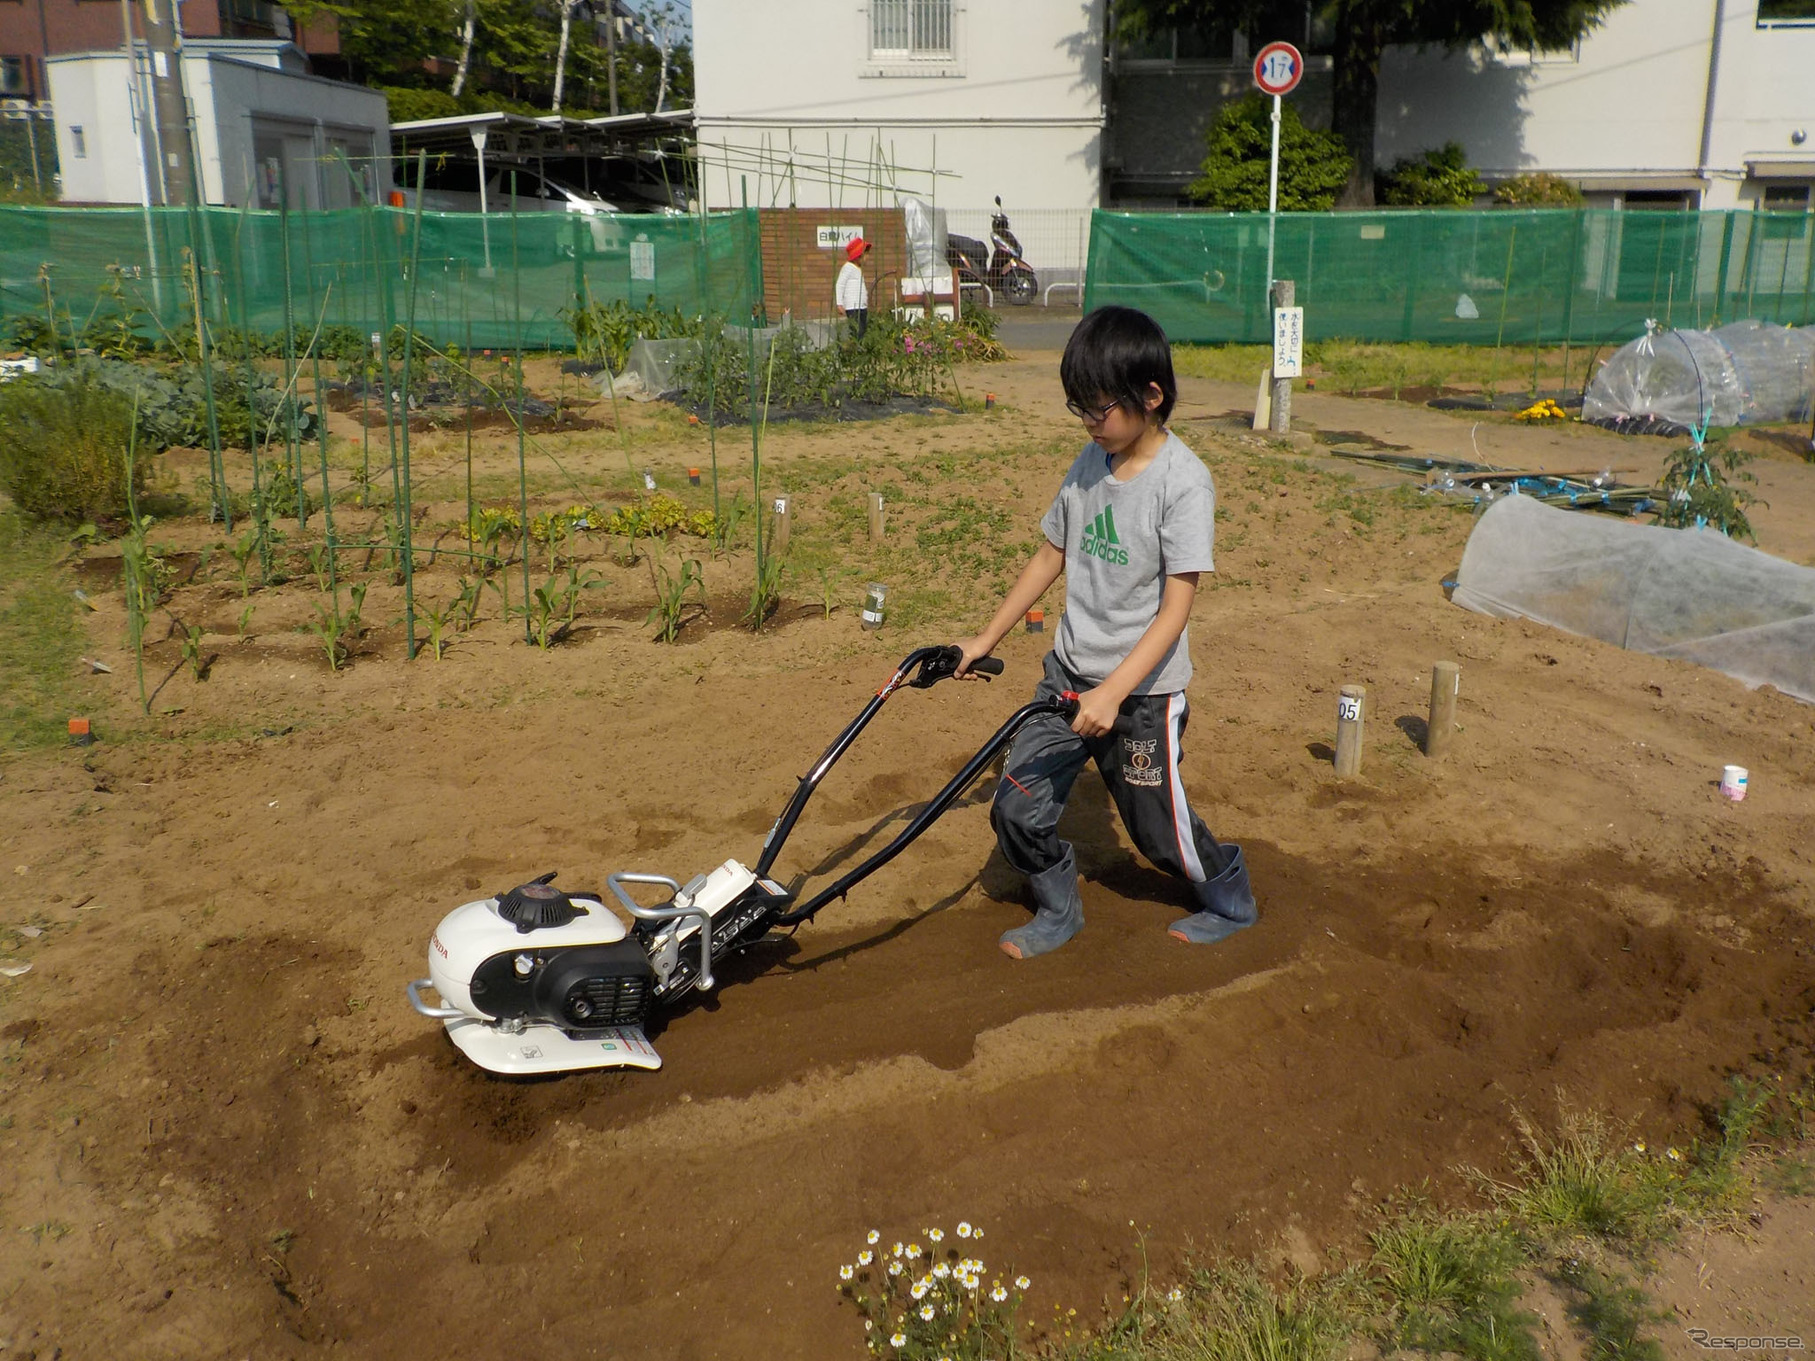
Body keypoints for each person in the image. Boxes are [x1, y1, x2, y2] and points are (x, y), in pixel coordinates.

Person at [956, 305, 1256, 960]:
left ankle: (1231, 895)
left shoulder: (1182, 484)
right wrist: (984, 639)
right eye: (1081, 411)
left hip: (1142, 696)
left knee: (1158, 836)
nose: (1090, 425)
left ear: (1149, 396)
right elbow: (1048, 555)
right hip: (1067, 678)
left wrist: (1114, 693)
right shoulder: (1091, 461)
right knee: (1015, 806)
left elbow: (1175, 611)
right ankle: (1058, 907)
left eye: (1099, 410)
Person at [835, 236, 871, 339]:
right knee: (857, 331)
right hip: (853, 306)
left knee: (863, 331)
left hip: (861, 306)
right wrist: (839, 303)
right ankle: (856, 350)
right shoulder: (848, 267)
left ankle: (860, 349)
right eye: (865, 254)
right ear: (858, 256)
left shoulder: (857, 268)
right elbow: (840, 284)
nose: (867, 257)